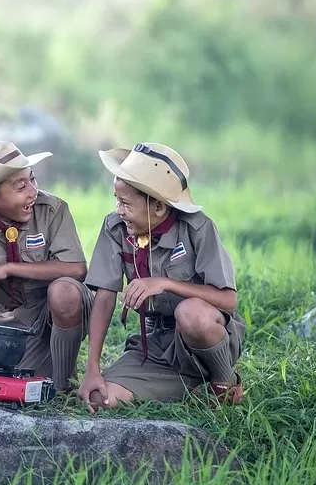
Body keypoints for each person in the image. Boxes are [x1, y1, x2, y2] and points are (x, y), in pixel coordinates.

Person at [77, 142, 244, 412]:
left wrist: (165, 284)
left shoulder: (197, 228)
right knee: (100, 399)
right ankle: (187, 387)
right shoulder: (115, 228)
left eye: (125, 203)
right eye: (116, 200)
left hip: (206, 336)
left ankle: (223, 382)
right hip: (158, 347)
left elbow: (228, 300)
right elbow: (105, 296)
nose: (119, 209)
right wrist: (92, 368)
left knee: (190, 313)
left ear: (157, 206)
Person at [0, 140, 93, 392]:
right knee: (8, 380)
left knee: (64, 292)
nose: (33, 191)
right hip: (10, 322)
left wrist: (11, 269)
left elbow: (77, 268)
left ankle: (64, 382)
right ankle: (38, 368)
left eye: (32, 180)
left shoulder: (51, 209)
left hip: (51, 311)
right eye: (21, 186)